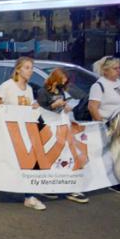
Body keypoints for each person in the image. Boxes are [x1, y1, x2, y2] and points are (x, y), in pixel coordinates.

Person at [0, 56, 46, 211]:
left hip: (24, 132)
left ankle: (29, 196)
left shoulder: (29, 89)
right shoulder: (7, 86)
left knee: (28, 162)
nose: (31, 70)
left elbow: (28, 107)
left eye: (32, 67)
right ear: (18, 69)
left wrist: (34, 106)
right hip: (8, 132)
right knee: (3, 161)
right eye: (27, 67)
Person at [36, 68, 89, 204]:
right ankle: (48, 186)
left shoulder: (60, 91)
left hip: (62, 125)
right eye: (63, 79)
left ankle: (66, 186)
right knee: (53, 155)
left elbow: (59, 107)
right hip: (50, 127)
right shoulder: (43, 91)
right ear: (56, 78)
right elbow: (42, 109)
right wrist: (56, 104)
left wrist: (64, 106)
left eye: (65, 79)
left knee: (66, 154)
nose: (64, 81)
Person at [88, 56, 120, 193]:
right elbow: (92, 107)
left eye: (119, 68)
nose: (118, 71)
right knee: (118, 153)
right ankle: (118, 181)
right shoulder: (99, 86)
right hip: (110, 123)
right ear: (105, 71)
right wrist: (101, 125)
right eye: (115, 69)